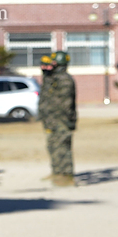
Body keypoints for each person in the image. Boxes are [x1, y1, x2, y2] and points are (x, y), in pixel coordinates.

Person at [38, 51, 77, 186]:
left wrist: (65, 120)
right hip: (53, 119)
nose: (50, 65)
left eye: (53, 62)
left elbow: (64, 103)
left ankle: (66, 176)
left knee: (63, 147)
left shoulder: (64, 79)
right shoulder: (53, 78)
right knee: (53, 145)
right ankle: (57, 172)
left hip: (61, 120)